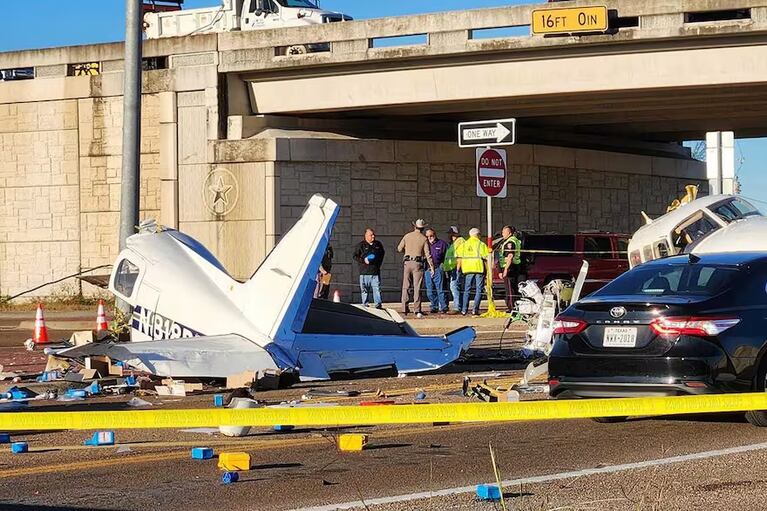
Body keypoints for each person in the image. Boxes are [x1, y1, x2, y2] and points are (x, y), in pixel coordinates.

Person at [397, 219, 435, 317]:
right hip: (418, 263)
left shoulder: (407, 236)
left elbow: (399, 248)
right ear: (423, 228)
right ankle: (417, 309)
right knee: (417, 287)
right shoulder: (423, 239)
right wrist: (432, 267)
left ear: (414, 226)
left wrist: (407, 252)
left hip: (407, 262)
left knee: (406, 285)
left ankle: (404, 308)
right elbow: (427, 254)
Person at [457, 227, 490, 316]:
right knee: (479, 289)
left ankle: (464, 310)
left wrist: (458, 269)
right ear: (478, 235)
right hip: (479, 269)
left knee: (467, 290)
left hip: (467, 270)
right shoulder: (481, 244)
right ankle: (475, 310)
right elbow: (486, 257)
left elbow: (458, 257)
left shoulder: (464, 244)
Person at [352, 228, 385, 308]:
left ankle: (378, 304)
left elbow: (382, 254)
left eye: (374, 235)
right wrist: (363, 260)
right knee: (364, 291)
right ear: (366, 236)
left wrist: (378, 264)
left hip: (375, 272)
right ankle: (365, 304)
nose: (373, 237)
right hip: (364, 273)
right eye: (371, 235)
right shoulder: (361, 245)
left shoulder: (378, 244)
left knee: (376, 289)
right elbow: (355, 256)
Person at [424, 228, 449, 314]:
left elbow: (447, 256)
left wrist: (444, 266)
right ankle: (434, 306)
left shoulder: (442, 244)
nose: (429, 237)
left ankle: (444, 307)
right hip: (428, 269)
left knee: (440, 289)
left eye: (431, 236)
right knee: (430, 290)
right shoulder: (425, 244)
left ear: (435, 235)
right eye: (427, 236)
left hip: (438, 268)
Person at [442, 226, 465, 315]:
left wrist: (458, 269)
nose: (449, 235)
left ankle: (457, 307)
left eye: (450, 233)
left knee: (454, 287)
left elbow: (459, 256)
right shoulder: (453, 243)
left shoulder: (459, 242)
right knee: (455, 287)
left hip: (456, 268)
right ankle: (459, 306)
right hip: (453, 268)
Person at [499, 226, 522, 313]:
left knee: (510, 289)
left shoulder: (510, 242)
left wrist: (505, 270)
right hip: (512, 267)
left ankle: (512, 308)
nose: (502, 234)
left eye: (504, 232)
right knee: (511, 288)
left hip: (510, 268)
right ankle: (513, 307)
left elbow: (510, 256)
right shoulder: (512, 240)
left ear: (509, 233)